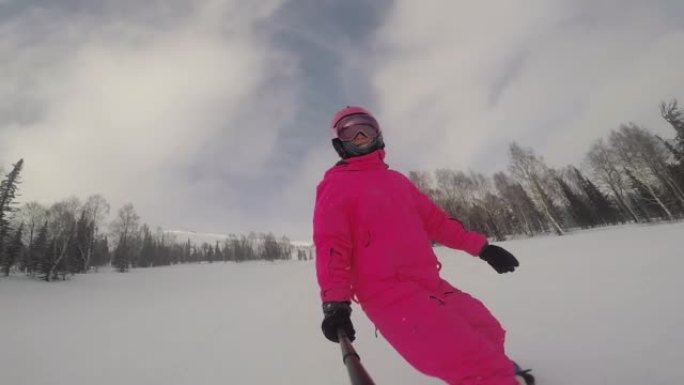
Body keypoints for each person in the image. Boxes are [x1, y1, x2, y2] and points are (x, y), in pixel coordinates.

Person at [313, 106, 533, 385]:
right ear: (339, 142)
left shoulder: (397, 182)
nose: (359, 136)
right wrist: (335, 303)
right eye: (350, 132)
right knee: (466, 359)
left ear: (377, 133)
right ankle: (492, 375)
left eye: (365, 129)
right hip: (387, 292)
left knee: (486, 329)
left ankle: (499, 369)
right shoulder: (336, 186)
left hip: (430, 282)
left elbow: (437, 223)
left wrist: (482, 248)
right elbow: (332, 245)